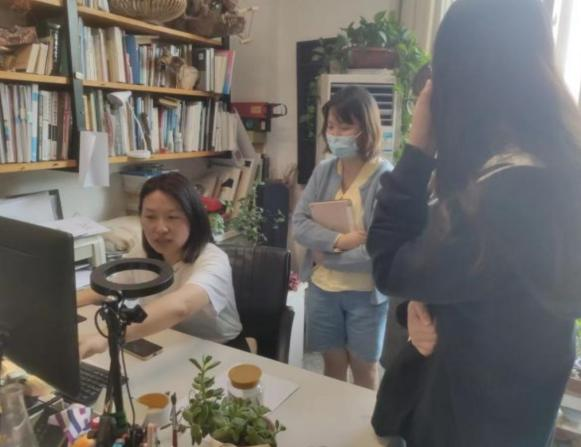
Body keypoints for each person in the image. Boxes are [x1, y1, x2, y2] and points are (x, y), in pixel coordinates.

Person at [368, 0, 581, 446]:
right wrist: (422, 307)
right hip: (521, 418)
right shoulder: (556, 170)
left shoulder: (502, 196)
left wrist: (417, 149)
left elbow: (389, 262)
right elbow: (491, 294)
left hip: (465, 423)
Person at [78, 172, 244, 358]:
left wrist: (109, 335)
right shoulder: (142, 253)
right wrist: (60, 305)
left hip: (220, 349)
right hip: (168, 342)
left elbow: (181, 306)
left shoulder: (214, 260)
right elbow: (107, 289)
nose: (160, 228)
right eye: (150, 217)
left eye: (172, 217)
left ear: (193, 218)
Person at [293, 86, 392, 389]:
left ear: (366, 128)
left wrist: (326, 257)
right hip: (323, 290)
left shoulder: (385, 176)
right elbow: (299, 223)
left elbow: (379, 249)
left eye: (345, 126)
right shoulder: (324, 170)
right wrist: (340, 241)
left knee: (365, 370)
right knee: (332, 364)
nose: (335, 134)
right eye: (331, 126)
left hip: (365, 294)